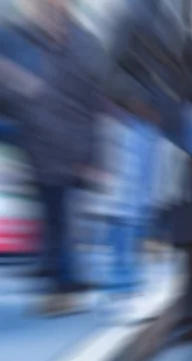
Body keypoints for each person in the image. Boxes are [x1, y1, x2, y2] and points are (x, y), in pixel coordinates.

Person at [109, 0, 192, 339]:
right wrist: (147, 106)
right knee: (179, 225)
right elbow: (113, 76)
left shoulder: (181, 10)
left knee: (188, 224)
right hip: (165, 132)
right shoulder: (135, 13)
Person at [1, 0, 107, 315]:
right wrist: (18, 87)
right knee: (54, 215)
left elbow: (92, 105)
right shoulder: (19, 39)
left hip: (67, 144)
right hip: (37, 143)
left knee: (58, 216)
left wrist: (92, 155)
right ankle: (60, 280)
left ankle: (61, 282)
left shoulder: (84, 45)